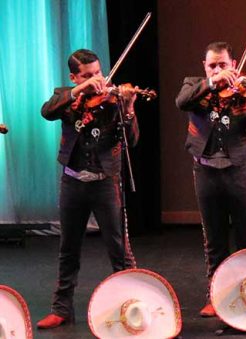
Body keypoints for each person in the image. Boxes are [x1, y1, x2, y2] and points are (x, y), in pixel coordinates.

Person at [175, 41, 246, 317]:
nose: (218, 70)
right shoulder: (194, 86)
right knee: (215, 238)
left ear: (233, 65)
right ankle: (216, 295)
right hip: (206, 170)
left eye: (223, 65)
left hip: (240, 170)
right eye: (213, 65)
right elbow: (181, 102)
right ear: (205, 67)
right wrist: (213, 83)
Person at [36, 49, 139, 329]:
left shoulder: (114, 99)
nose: (97, 80)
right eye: (87, 76)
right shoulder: (66, 96)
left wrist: (128, 111)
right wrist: (79, 90)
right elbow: (47, 111)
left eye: (98, 73)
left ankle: (133, 304)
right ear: (74, 77)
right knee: (68, 248)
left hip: (105, 182)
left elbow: (132, 140)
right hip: (72, 182)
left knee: (119, 249)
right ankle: (62, 309)